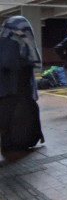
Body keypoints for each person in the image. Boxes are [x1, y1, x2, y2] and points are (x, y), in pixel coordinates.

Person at [0, 16, 45, 151]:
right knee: (11, 115)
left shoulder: (5, 38)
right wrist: (27, 63)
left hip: (11, 87)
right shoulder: (10, 41)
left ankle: (14, 141)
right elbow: (8, 62)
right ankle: (14, 142)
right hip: (14, 87)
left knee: (10, 114)